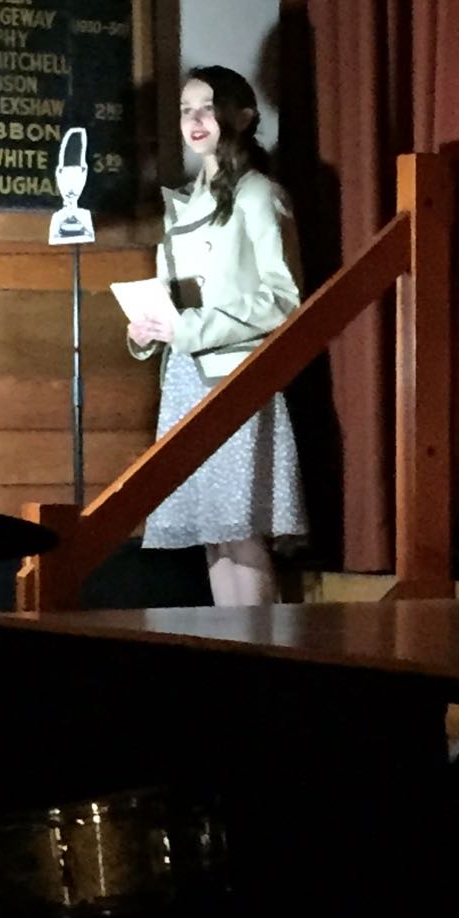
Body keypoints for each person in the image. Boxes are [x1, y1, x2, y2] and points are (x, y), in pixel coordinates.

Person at [127, 65, 308, 606]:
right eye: (186, 110)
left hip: (236, 376)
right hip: (187, 376)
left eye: (207, 107)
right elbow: (173, 296)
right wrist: (147, 327)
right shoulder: (182, 203)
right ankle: (232, 647)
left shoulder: (258, 194)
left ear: (243, 117)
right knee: (214, 535)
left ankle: (263, 650)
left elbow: (284, 298)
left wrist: (191, 326)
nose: (195, 120)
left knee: (239, 529)